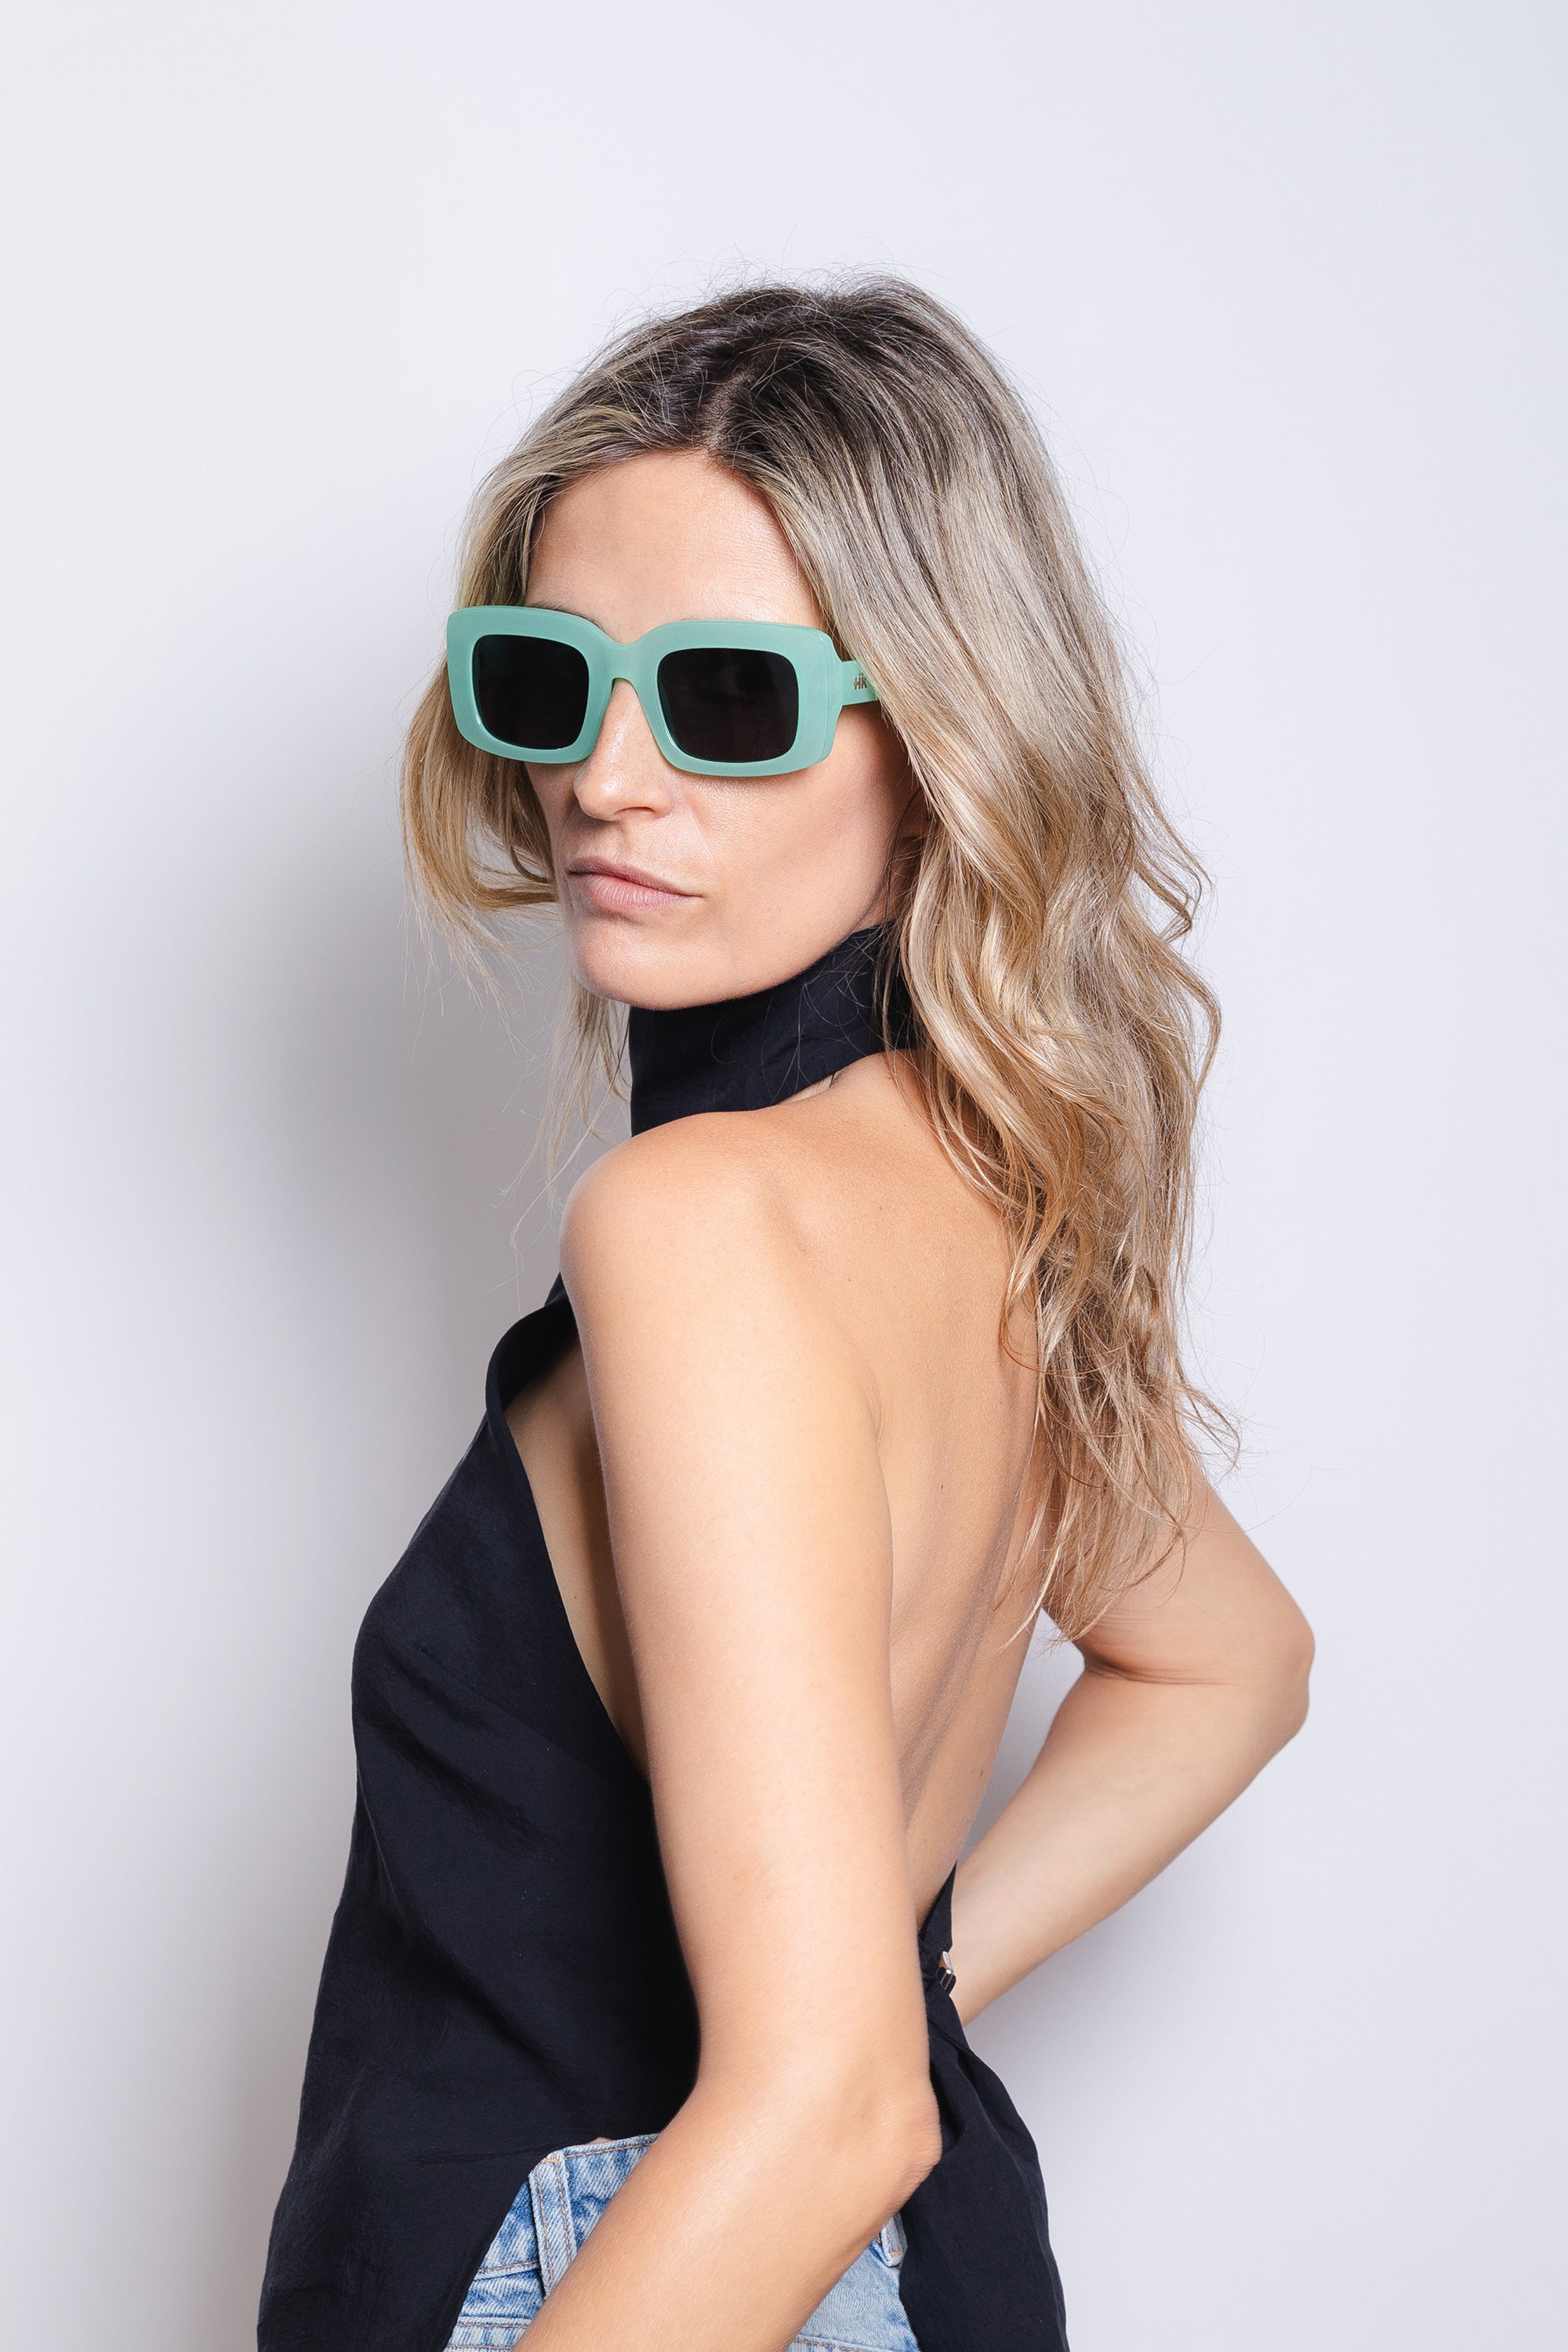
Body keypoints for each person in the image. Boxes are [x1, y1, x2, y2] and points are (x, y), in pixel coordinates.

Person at [258, 278, 1313, 2352]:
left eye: (728, 698)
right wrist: (899, 1980)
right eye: (547, 679)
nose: (605, 779)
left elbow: (828, 2108)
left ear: (940, 739)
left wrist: (860, 2032)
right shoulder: (985, 1194)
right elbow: (1230, 1662)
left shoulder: (699, 1226)